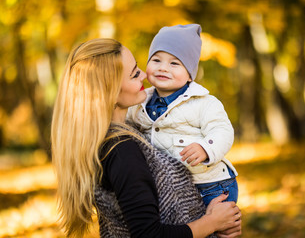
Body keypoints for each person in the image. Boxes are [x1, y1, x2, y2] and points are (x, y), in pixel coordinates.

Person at [51, 38, 242, 238]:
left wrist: (220, 221)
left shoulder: (125, 134)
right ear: (111, 92)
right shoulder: (121, 150)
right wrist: (211, 223)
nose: (144, 74)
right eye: (134, 74)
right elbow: (148, 235)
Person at [127, 24, 238, 207]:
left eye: (174, 63)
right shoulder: (140, 101)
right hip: (169, 188)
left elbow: (223, 131)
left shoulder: (203, 102)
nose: (163, 68)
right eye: (156, 60)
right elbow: (125, 125)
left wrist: (206, 148)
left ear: (189, 75)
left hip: (210, 185)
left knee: (216, 230)